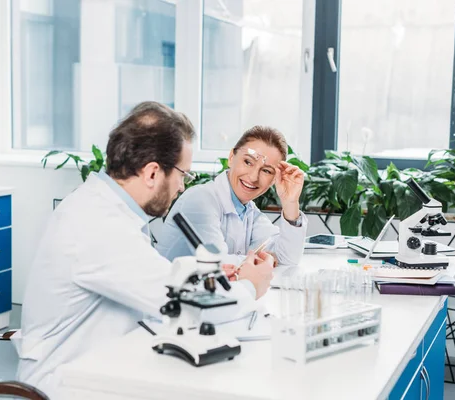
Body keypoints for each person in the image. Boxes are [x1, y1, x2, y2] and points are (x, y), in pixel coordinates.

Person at [16, 102, 275, 398]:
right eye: (183, 175)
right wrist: (250, 287)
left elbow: (147, 276)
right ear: (153, 173)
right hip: (66, 385)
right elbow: (188, 305)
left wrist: (202, 277)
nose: (181, 186)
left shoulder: (109, 209)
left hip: (104, 365)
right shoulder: (99, 224)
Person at [155, 125, 307, 268]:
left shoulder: (248, 210)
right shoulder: (199, 199)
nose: (253, 177)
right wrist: (262, 259)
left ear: (275, 179)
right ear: (231, 157)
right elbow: (217, 262)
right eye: (248, 162)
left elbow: (288, 258)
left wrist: (290, 203)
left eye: (266, 171)